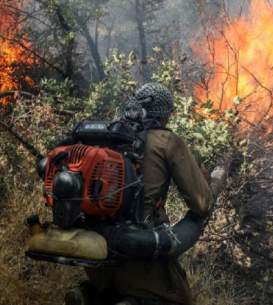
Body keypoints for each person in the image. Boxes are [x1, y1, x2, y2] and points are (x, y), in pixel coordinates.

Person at [66, 83, 214, 305]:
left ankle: (88, 294)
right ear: (165, 114)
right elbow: (201, 204)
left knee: (106, 294)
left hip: (95, 251)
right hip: (141, 254)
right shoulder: (166, 141)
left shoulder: (105, 137)